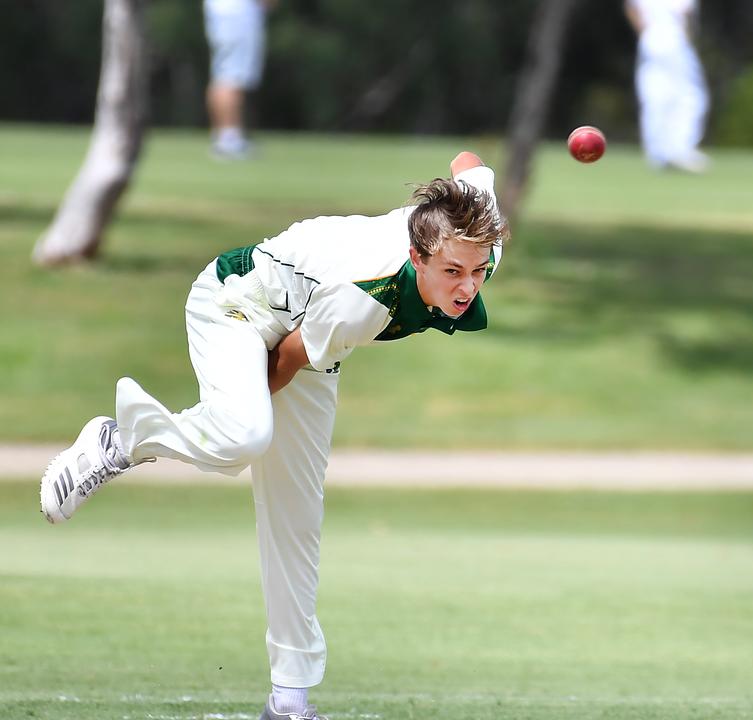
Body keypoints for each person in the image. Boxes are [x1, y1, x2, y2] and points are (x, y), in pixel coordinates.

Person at [39, 151, 507, 720]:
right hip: (239, 303)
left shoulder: (478, 236)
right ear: (417, 255)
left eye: (477, 271)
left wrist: (468, 197)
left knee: (297, 512)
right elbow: (282, 359)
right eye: (453, 272)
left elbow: (470, 164)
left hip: (308, 332)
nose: (467, 287)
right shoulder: (364, 296)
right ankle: (124, 441)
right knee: (243, 437)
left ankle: (289, 701)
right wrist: (227, 419)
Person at [625, 0, 710, 172]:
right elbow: (686, 14)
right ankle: (680, 149)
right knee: (691, 95)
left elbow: (632, 8)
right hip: (672, 38)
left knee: (655, 94)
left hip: (650, 38)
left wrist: (645, 32)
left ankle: (657, 153)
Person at [204, 0, 271, 159]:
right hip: (238, 14)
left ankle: (225, 136)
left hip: (224, 13)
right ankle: (229, 139)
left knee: (224, 74)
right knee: (231, 76)